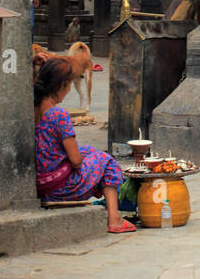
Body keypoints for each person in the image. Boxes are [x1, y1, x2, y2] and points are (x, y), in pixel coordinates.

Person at [33, 56, 135, 233]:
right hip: (60, 188)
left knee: (89, 150)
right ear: (61, 85)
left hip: (41, 182)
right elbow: (76, 161)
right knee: (106, 160)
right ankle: (114, 218)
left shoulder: (32, 108)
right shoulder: (58, 115)